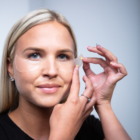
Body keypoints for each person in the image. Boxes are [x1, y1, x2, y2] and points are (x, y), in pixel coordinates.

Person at [0, 8, 131, 140]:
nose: (51, 71)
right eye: (35, 55)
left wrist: (103, 104)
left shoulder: (88, 126)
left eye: (62, 56)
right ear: (10, 67)